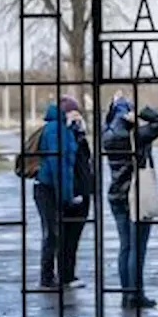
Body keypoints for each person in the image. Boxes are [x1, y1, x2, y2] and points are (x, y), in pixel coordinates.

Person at [103, 96, 158, 308]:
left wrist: (115, 109)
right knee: (137, 247)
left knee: (125, 246)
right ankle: (136, 294)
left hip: (116, 195)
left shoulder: (107, 135)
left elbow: (109, 121)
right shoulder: (137, 136)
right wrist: (142, 111)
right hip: (137, 193)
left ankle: (126, 293)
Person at [34, 96, 81, 289]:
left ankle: (51, 275)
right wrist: (65, 195)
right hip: (49, 187)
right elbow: (59, 163)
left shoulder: (63, 129)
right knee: (52, 233)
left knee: (55, 232)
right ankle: (46, 277)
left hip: (52, 186)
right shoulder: (56, 129)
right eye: (74, 111)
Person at [60, 109, 93, 288]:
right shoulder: (68, 140)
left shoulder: (80, 140)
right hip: (74, 191)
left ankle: (67, 273)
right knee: (68, 237)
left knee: (72, 237)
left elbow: (86, 161)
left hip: (81, 189)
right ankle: (66, 275)